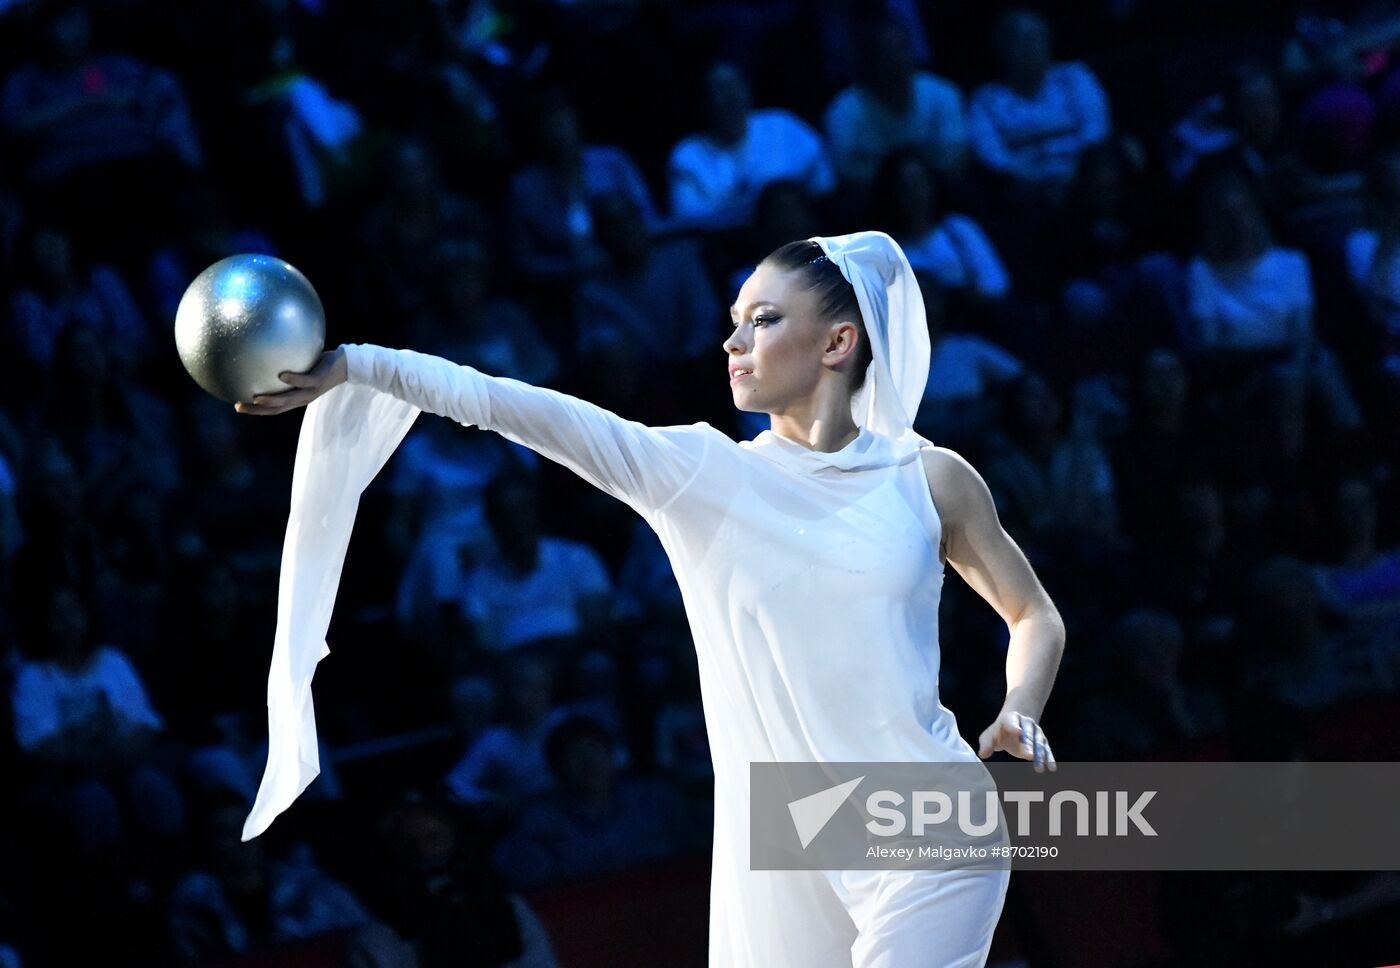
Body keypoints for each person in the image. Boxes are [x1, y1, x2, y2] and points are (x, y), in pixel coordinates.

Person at [235, 230, 1065, 966]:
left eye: (765, 319)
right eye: (735, 318)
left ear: (839, 341)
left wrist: (1020, 706)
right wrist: (360, 366)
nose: (734, 340)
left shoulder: (931, 478)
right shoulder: (702, 475)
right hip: (791, 842)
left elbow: (1033, 616)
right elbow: (511, 408)